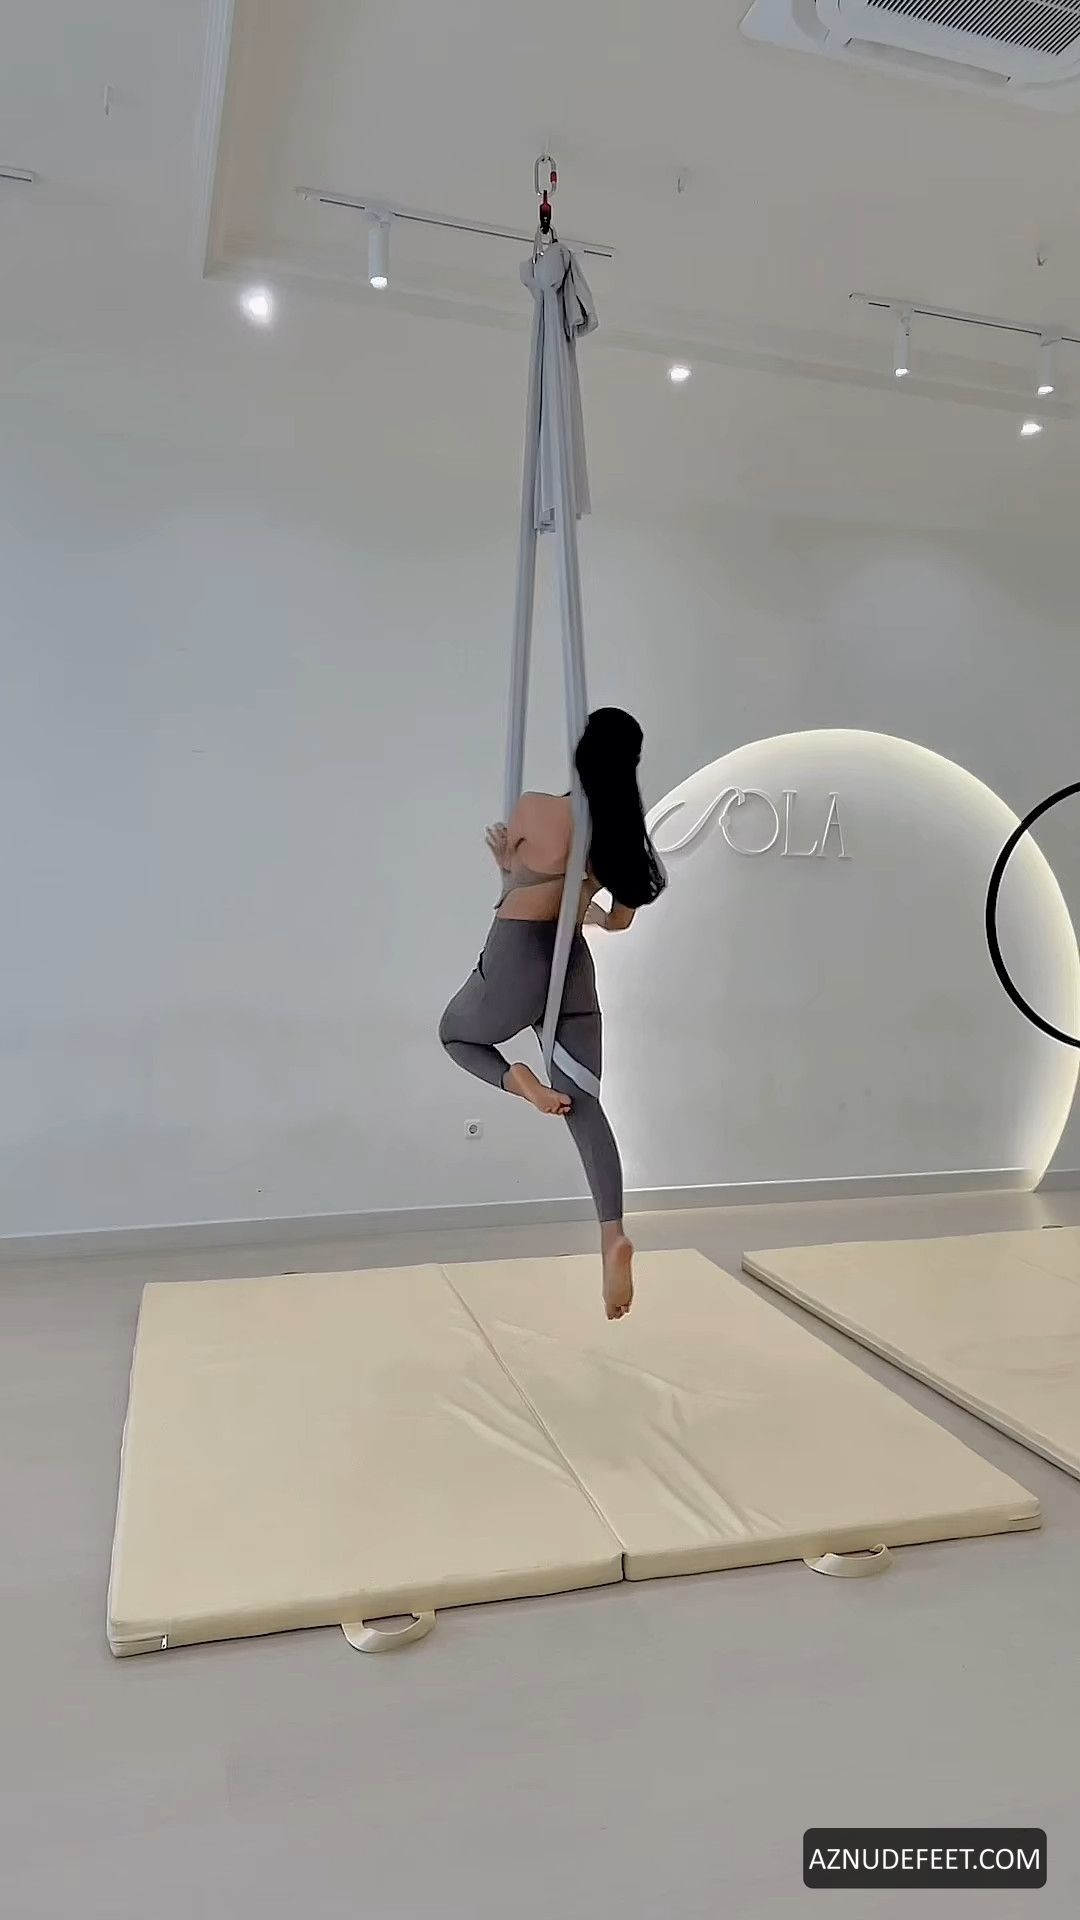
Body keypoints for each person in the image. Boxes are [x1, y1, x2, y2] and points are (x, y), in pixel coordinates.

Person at [439, 707, 666, 1321]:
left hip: (516, 958)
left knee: (455, 1035)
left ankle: (520, 1082)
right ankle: (612, 1233)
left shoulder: (535, 809)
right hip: (571, 964)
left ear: (581, 750)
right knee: (585, 1105)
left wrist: (506, 864)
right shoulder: (621, 836)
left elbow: (513, 891)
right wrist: (590, 912)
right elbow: (619, 919)